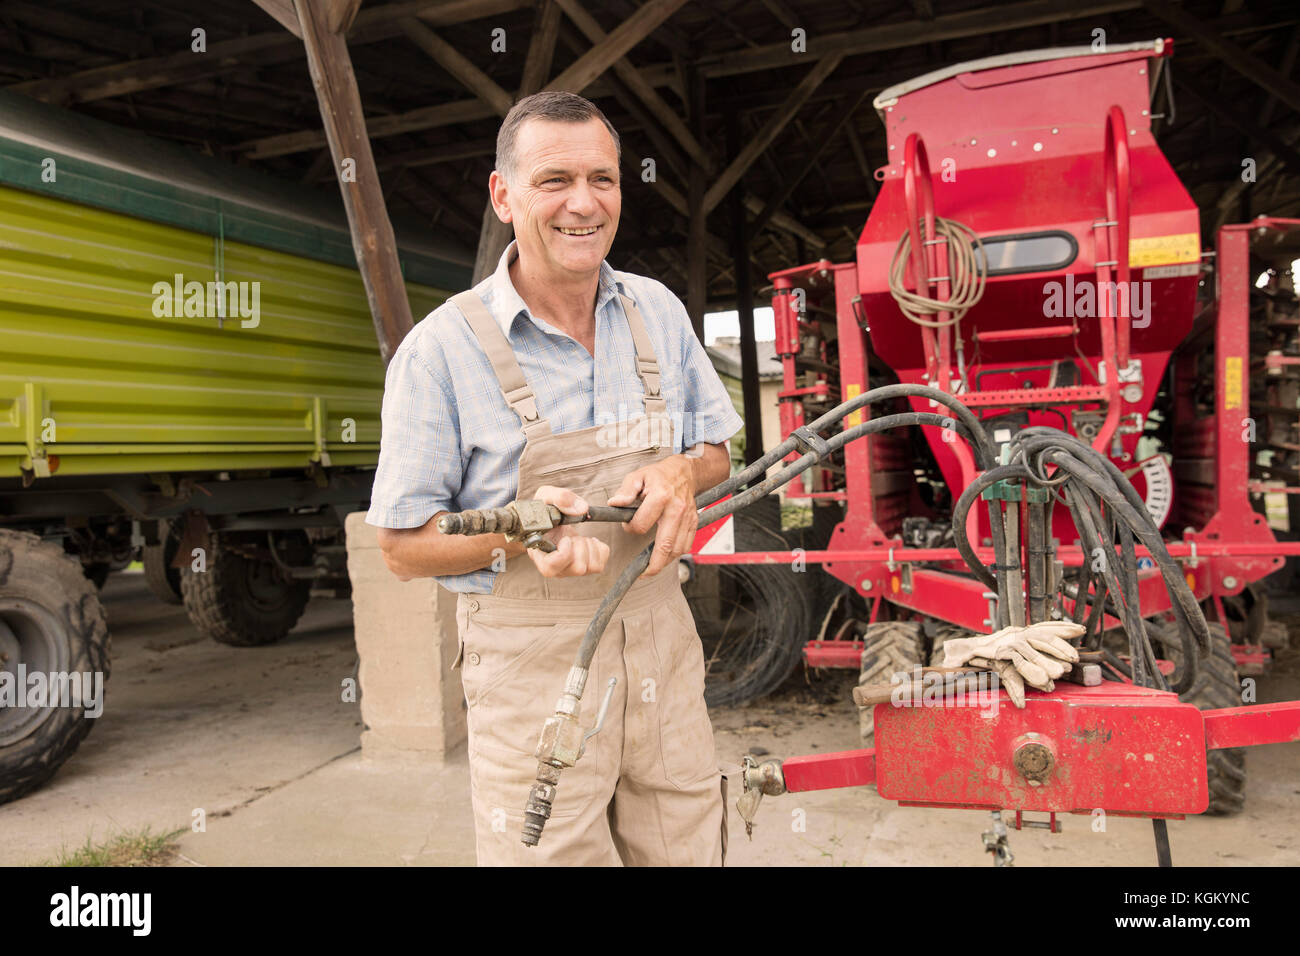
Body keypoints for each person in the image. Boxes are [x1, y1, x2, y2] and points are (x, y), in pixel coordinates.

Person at [367, 91, 743, 865]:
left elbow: (718, 454)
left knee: (689, 844)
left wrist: (679, 470)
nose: (584, 203)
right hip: (529, 665)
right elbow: (401, 548)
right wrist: (515, 529)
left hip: (661, 638)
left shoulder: (658, 311)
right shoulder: (440, 352)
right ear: (503, 195)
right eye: (554, 181)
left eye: (602, 179)